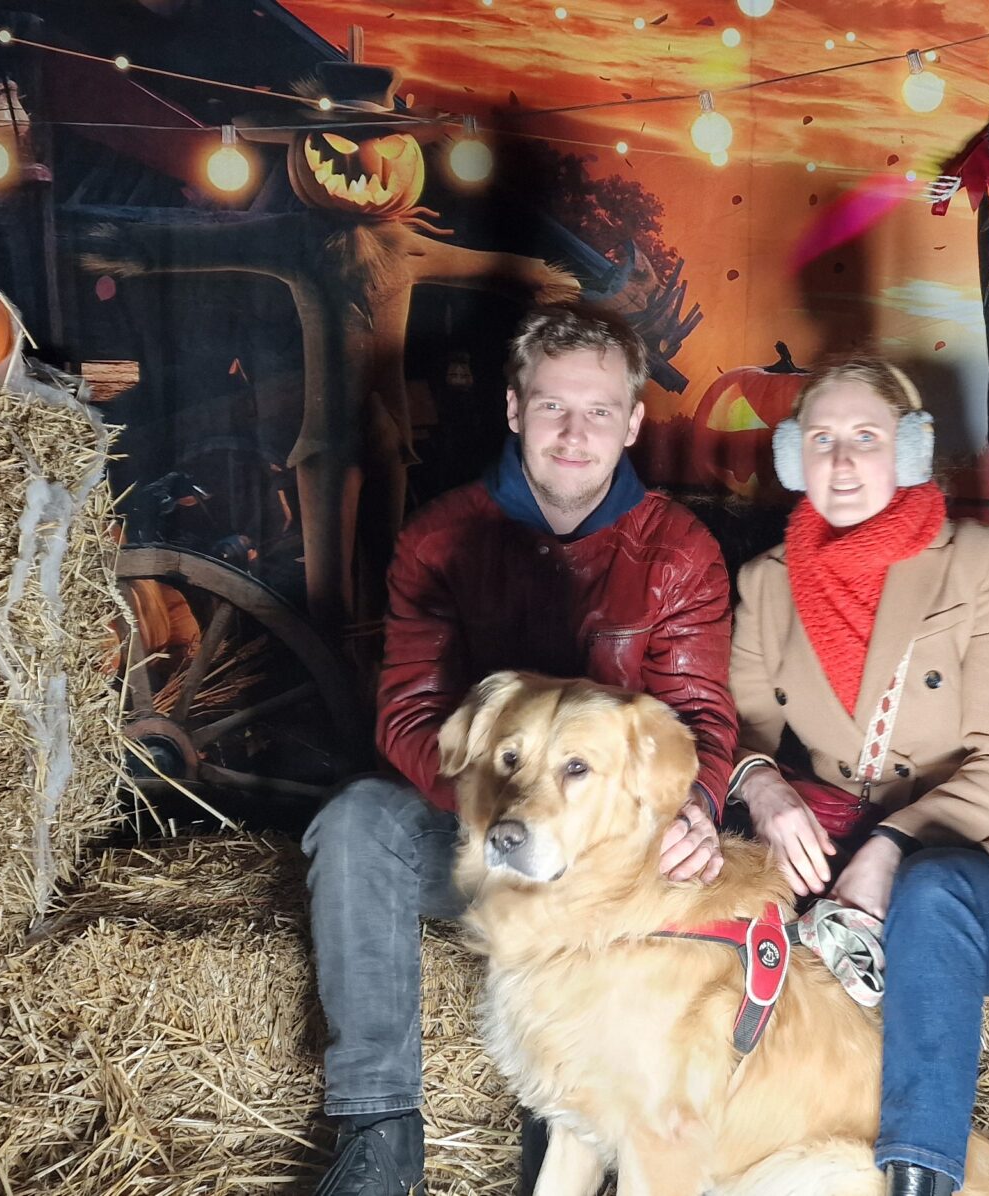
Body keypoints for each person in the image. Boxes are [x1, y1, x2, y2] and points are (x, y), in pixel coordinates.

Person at [304, 306, 739, 1196]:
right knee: (355, 822)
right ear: (514, 409)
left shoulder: (681, 552)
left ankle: (579, 1129)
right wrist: (511, 821)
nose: (574, 434)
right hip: (476, 832)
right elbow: (408, 716)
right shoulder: (438, 537)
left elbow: (699, 720)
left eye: (598, 411)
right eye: (552, 408)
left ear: (633, 421)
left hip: (610, 854)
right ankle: (377, 1133)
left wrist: (691, 810)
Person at [726, 357, 989, 1196]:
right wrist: (763, 784)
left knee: (929, 894)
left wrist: (893, 843)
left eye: (866, 438)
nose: (842, 462)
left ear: (909, 450)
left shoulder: (978, 562)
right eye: (821, 440)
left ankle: (920, 1178)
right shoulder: (765, 584)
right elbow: (736, 727)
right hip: (835, 835)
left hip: (978, 859)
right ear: (793, 457)